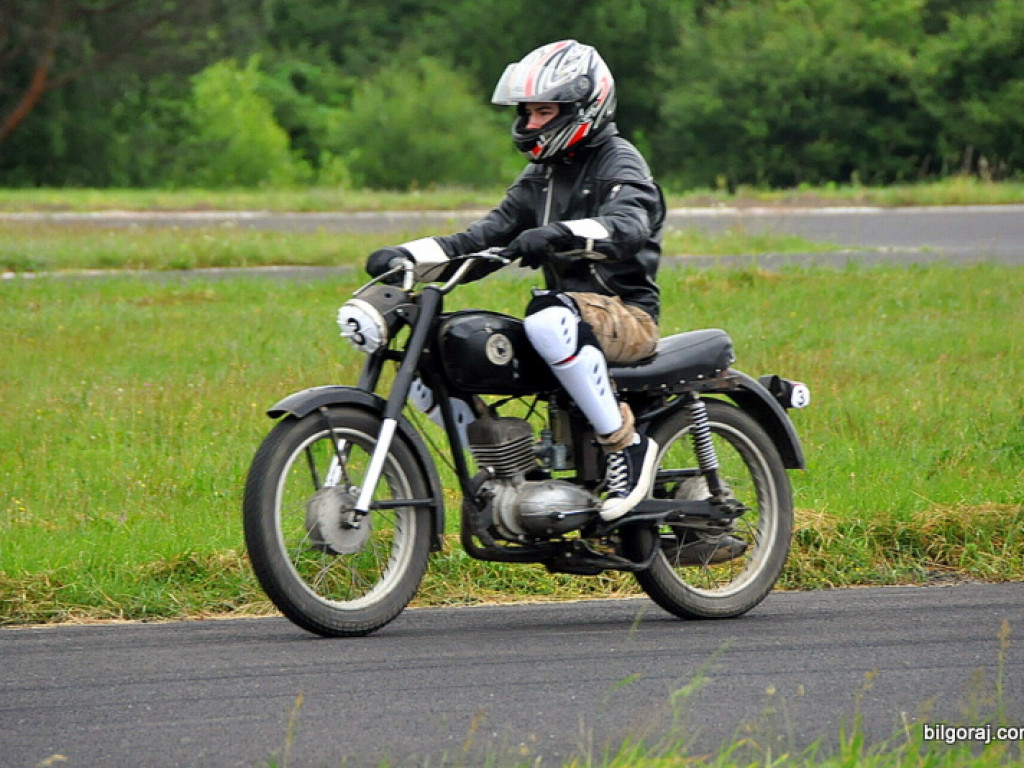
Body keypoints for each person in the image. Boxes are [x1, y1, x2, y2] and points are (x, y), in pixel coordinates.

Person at [366, 39, 665, 522]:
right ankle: (506, 476)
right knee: (438, 348)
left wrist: (559, 233)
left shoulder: (619, 160)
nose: (529, 123)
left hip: (626, 315)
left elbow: (630, 225)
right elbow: (481, 238)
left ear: (582, 107)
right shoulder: (541, 175)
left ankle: (624, 445)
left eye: (543, 111)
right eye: (527, 111)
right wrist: (407, 256)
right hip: (571, 314)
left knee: (547, 316)